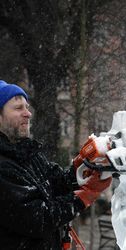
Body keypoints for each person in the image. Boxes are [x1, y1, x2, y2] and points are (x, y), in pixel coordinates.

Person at [0, 80, 112, 249]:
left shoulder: (27, 153)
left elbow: (57, 182)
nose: (28, 114)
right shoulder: (3, 165)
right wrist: (82, 197)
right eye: (18, 108)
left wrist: (82, 166)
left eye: (27, 107)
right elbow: (37, 219)